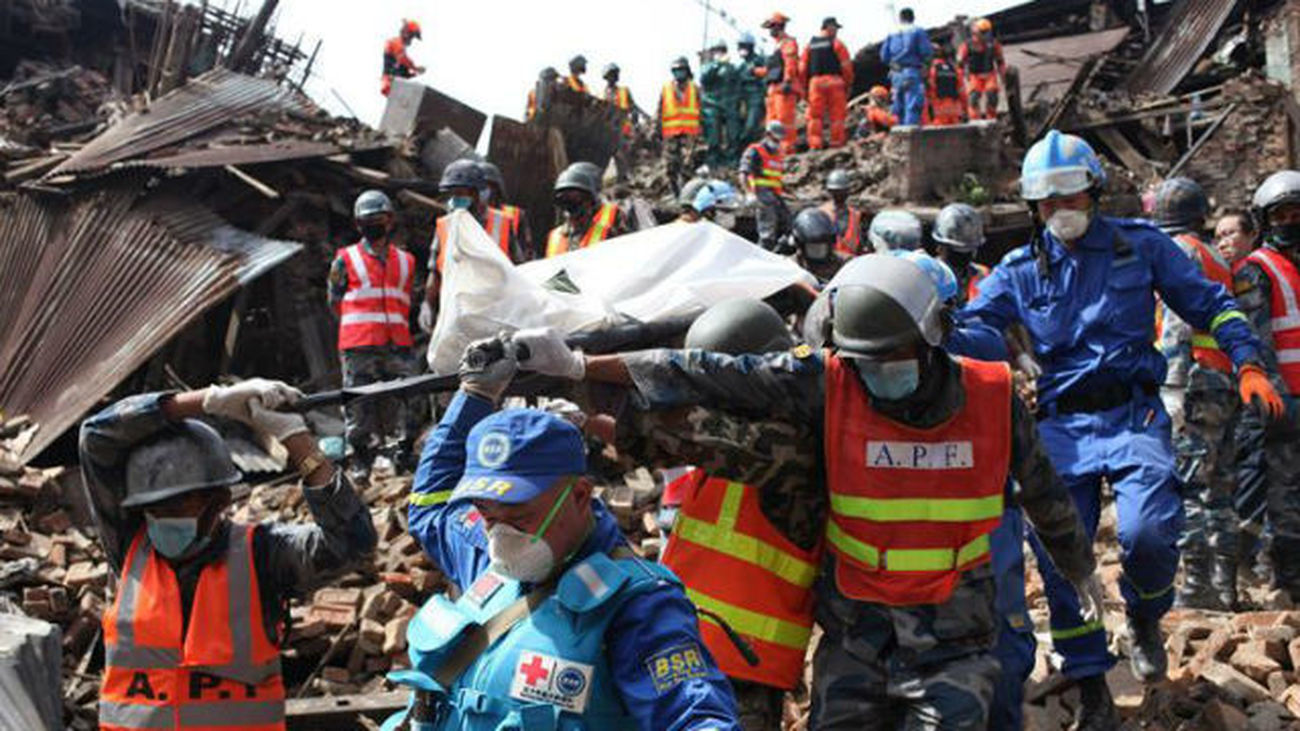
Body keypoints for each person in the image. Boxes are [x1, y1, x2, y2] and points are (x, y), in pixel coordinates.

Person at [510, 254, 1101, 730]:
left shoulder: (991, 401)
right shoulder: (831, 382)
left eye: (889, 360)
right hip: (857, 636)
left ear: (933, 337)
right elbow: (703, 370)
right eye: (862, 361)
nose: (875, 374)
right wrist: (583, 366)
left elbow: (1046, 493)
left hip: (954, 639)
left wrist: (1078, 566)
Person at [964, 130, 1279, 725]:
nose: (1061, 211)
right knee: (1062, 559)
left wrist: (1249, 362)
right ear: (1034, 207)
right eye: (1047, 201)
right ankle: (1090, 683)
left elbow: (1211, 304)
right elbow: (976, 326)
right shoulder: (1016, 270)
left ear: (1095, 194)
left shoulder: (1140, 248)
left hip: (1133, 415)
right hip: (1059, 426)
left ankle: (1143, 616)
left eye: (1072, 197)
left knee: (1150, 535)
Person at [388, 339, 742, 729]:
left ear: (578, 496)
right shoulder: (486, 557)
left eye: (521, 515)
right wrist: (474, 396)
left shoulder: (638, 605)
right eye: (486, 513)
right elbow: (430, 505)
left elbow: (693, 714)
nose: (501, 535)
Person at [82, 379, 376, 729]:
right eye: (154, 508)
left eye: (178, 503)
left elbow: (353, 542)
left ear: (218, 501)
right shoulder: (130, 547)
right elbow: (96, 437)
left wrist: (297, 441)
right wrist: (208, 400)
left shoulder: (264, 555)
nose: (162, 516)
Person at [607, 299, 822, 731]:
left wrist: (588, 376)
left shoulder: (793, 450)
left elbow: (692, 435)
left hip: (739, 675)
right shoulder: (731, 457)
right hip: (679, 653)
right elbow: (654, 444)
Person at [1151, 178, 1245, 611]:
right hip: (1223, 382)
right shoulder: (1215, 256)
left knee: (1186, 485)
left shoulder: (1179, 252)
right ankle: (1226, 585)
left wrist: (1170, 385)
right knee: (1220, 489)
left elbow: (1176, 322)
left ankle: (1194, 587)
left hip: (1192, 382)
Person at [1233, 170, 1300, 601]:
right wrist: (1275, 398)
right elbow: (1256, 340)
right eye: (1282, 214)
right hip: (1280, 402)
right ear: (1264, 221)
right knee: (1279, 492)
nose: (1291, 220)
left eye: (1297, 212)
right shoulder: (1257, 270)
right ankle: (1279, 574)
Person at [329, 191, 420, 476]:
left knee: (412, 397)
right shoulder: (345, 259)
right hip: (359, 344)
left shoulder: (406, 261)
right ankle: (361, 459)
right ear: (358, 225)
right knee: (357, 404)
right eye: (368, 221)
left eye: (379, 219)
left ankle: (404, 452)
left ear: (390, 221)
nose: (374, 225)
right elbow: (334, 300)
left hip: (398, 343)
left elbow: (407, 297)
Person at [423, 159, 493, 331]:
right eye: (450, 194)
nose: (454, 200)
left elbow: (519, 270)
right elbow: (435, 272)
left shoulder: (501, 223)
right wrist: (427, 304)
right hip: (455, 314)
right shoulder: (444, 227)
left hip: (493, 314)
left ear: (478, 194)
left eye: (460, 193)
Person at [546, 163, 628, 258]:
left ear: (590, 199)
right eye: (562, 198)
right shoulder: (555, 237)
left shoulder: (616, 221)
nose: (568, 203)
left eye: (575, 197)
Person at [801, 17, 853, 150]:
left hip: (815, 83)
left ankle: (815, 144)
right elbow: (847, 67)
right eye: (835, 28)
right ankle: (836, 143)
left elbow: (802, 69)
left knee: (814, 116)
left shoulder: (809, 46)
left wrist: (805, 88)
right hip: (835, 82)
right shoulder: (838, 44)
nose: (836, 31)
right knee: (837, 116)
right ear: (829, 27)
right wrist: (847, 84)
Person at [740, 121, 791, 252]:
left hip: (775, 196)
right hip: (762, 195)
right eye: (775, 139)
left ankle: (778, 252)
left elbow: (774, 178)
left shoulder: (778, 154)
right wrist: (748, 193)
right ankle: (761, 257)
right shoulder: (755, 151)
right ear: (767, 135)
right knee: (767, 235)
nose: (778, 142)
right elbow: (743, 173)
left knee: (790, 226)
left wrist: (788, 192)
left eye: (780, 140)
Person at [658, 57, 703, 196]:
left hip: (690, 134)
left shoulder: (695, 88)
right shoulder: (666, 88)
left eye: (681, 70)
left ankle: (686, 195)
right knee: (670, 167)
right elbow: (659, 110)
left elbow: (702, 110)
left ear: (687, 71)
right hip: (671, 134)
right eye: (676, 71)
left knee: (687, 167)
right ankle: (675, 193)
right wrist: (654, 129)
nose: (679, 74)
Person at [879, 7, 932, 126]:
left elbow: (884, 56)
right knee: (913, 104)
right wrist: (926, 65)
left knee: (898, 105)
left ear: (900, 18)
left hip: (896, 74)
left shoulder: (891, 33)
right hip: (912, 72)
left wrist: (893, 63)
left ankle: (899, 134)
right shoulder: (918, 31)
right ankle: (910, 133)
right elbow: (926, 52)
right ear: (913, 18)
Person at [932, 202, 989, 305]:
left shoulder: (982, 275)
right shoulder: (929, 277)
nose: (963, 256)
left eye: (968, 251)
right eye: (956, 251)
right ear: (940, 247)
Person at [761, 12, 801, 154]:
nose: (770, 31)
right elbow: (771, 69)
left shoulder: (788, 43)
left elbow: (790, 64)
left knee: (785, 122)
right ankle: (773, 151)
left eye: (772, 27)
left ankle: (787, 151)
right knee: (771, 121)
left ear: (779, 27)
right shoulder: (775, 47)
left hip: (783, 88)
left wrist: (788, 80)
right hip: (773, 89)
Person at [479, 161, 533, 264]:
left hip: (506, 275)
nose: (483, 190)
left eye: (486, 185)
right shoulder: (468, 215)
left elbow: (526, 253)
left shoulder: (515, 215)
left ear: (496, 187)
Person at [700, 41, 740, 169]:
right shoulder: (707, 66)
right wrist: (717, 64)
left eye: (722, 51)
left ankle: (731, 160)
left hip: (729, 104)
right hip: (711, 105)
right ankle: (713, 161)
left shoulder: (731, 67)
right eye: (717, 51)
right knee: (713, 136)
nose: (720, 53)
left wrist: (738, 102)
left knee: (733, 134)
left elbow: (737, 85)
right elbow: (704, 78)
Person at [957, 18, 1005, 121]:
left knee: (992, 95)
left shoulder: (993, 44)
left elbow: (1000, 61)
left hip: (990, 74)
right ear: (976, 32)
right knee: (973, 98)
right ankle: (975, 120)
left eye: (987, 32)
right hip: (974, 76)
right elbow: (960, 64)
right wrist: (960, 81)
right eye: (983, 32)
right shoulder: (967, 45)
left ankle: (991, 118)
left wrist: (1003, 76)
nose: (986, 35)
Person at [602, 63, 638, 184]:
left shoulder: (624, 91)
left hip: (623, 129)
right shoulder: (602, 94)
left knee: (623, 155)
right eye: (611, 75)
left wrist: (634, 121)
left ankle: (624, 178)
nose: (613, 77)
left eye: (615, 75)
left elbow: (633, 108)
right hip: (608, 129)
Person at [791, 207, 846, 284]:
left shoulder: (844, 263)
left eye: (822, 247)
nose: (818, 251)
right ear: (800, 244)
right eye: (813, 248)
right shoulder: (791, 266)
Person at [819, 169, 866, 257]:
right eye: (835, 192)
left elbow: (859, 243)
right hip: (829, 262)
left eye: (841, 191)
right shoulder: (821, 213)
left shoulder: (855, 215)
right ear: (830, 192)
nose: (839, 195)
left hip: (851, 263)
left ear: (847, 191)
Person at [735, 33, 769, 150]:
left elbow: (767, 75)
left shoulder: (760, 60)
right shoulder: (740, 66)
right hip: (743, 99)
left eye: (744, 46)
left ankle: (749, 148)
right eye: (740, 46)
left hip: (756, 98)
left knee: (750, 127)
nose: (741, 49)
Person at [382, 19, 425, 96]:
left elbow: (402, 70)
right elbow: (403, 59)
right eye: (412, 36)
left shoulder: (399, 48)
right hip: (391, 84)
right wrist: (415, 68)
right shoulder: (395, 42)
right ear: (406, 33)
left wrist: (413, 74)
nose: (411, 40)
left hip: (396, 87)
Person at [926, 43, 965, 126]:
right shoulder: (954, 69)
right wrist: (964, 110)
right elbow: (962, 91)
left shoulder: (931, 69)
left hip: (938, 109)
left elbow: (929, 90)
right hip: (954, 109)